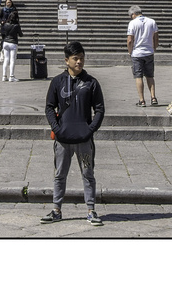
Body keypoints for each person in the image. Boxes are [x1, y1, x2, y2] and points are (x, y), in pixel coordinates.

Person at [41, 40, 105, 226]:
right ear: (66, 60)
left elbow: (99, 109)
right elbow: (49, 107)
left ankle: (91, 210)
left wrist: (90, 129)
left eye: (82, 59)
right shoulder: (57, 81)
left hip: (84, 140)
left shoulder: (91, 83)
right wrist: (56, 128)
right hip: (62, 139)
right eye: (75, 59)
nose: (79, 62)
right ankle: (56, 209)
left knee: (88, 173)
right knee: (60, 174)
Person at [125, 4, 158, 107]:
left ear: (133, 14)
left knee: (138, 76)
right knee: (150, 76)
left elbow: (130, 40)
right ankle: (153, 98)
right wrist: (154, 48)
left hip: (137, 53)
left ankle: (142, 100)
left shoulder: (132, 23)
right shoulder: (152, 21)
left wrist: (130, 52)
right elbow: (156, 38)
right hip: (149, 52)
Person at [0, 0, 22, 81]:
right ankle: (11, 76)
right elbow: (21, 34)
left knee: (6, 60)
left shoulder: (5, 25)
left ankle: (4, 76)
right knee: (12, 60)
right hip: (13, 43)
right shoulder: (16, 25)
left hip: (5, 43)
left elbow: (3, 33)